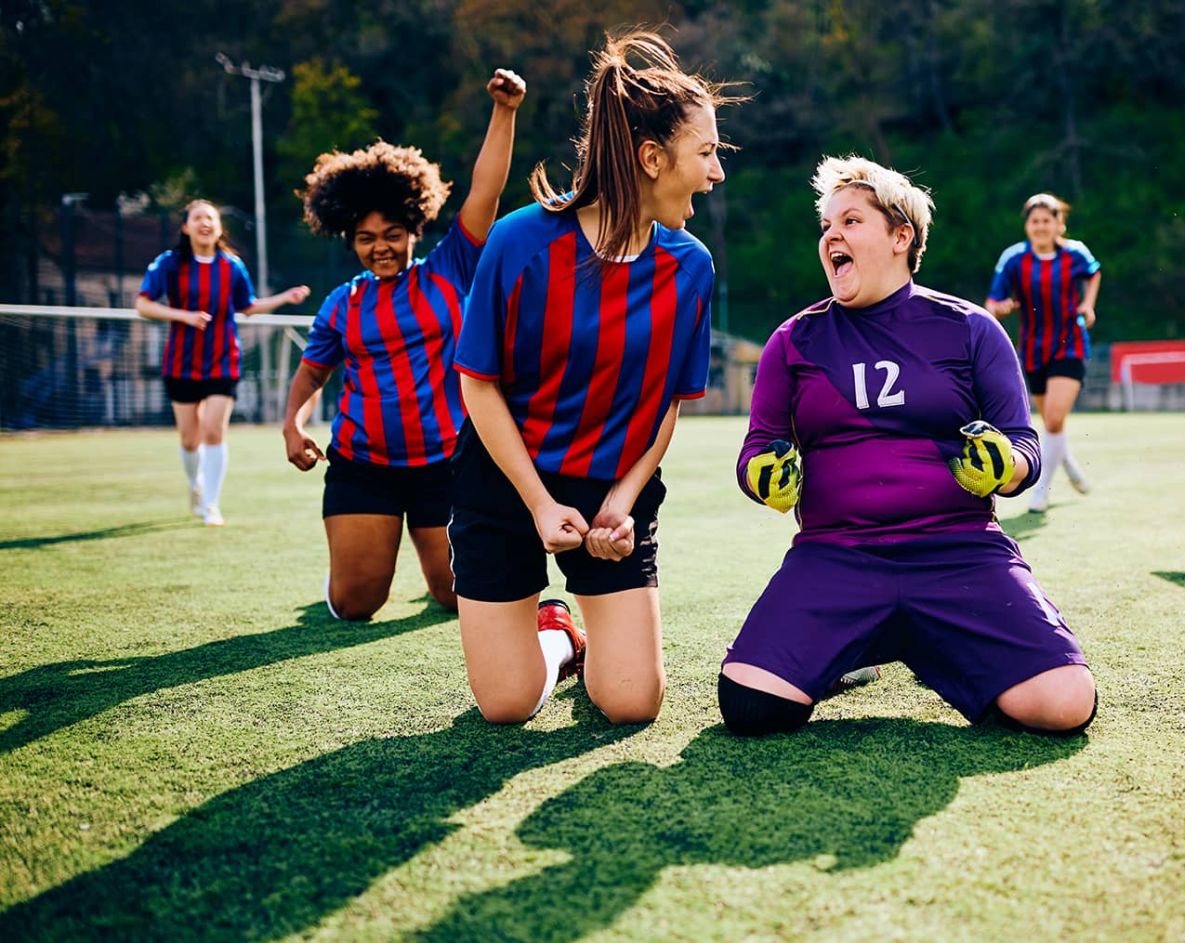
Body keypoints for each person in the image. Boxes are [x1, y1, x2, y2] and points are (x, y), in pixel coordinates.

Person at [719, 156, 1097, 738]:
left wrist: (1008, 465)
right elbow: (757, 449)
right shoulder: (793, 340)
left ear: (901, 237)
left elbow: (1025, 442)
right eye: (826, 225)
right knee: (749, 707)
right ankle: (858, 647)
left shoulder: (971, 328)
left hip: (959, 552)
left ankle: (932, 646)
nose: (832, 236)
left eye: (850, 221)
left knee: (1065, 704)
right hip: (836, 553)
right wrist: (762, 475)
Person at [450, 31, 736, 725]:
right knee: (508, 705)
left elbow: (667, 403)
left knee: (632, 702)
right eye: (706, 152)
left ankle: (582, 636)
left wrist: (622, 504)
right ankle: (559, 637)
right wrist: (539, 504)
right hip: (506, 480)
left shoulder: (690, 266)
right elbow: (478, 383)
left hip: (611, 485)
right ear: (651, 158)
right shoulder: (520, 241)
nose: (717, 173)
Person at [280, 68, 526, 620]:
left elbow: (485, 191)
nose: (381, 248)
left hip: (445, 463)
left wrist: (504, 111)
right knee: (356, 604)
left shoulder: (450, 269)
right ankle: (351, 565)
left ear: (414, 229)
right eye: (366, 239)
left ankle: (433, 561)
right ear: (350, 240)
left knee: (456, 596)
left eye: (392, 235)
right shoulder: (341, 304)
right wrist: (293, 425)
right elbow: (313, 372)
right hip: (363, 465)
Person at [136, 199, 310, 526]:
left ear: (219, 228)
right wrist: (183, 316)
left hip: (223, 360)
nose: (205, 223)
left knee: (214, 431)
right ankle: (196, 485)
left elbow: (248, 306)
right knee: (190, 439)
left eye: (211, 218)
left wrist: (284, 298)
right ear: (186, 227)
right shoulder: (170, 263)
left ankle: (212, 504)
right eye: (198, 218)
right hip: (181, 363)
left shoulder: (232, 266)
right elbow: (143, 305)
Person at [985, 193, 1101, 513]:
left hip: (1070, 345)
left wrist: (1088, 303)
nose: (1040, 226)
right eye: (1034, 221)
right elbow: (992, 303)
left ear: (1058, 223)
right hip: (1034, 349)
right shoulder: (1014, 259)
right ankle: (1070, 466)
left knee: (1052, 418)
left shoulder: (1075, 253)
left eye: (1047, 220)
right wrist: (1000, 308)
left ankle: (1041, 492)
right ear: (1027, 225)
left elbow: (1094, 273)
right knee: (1052, 423)